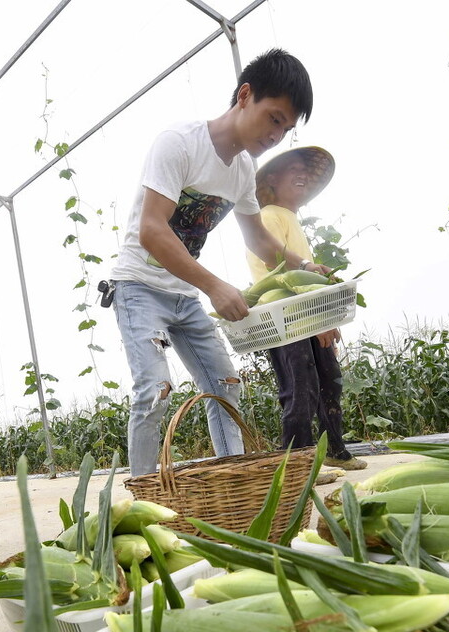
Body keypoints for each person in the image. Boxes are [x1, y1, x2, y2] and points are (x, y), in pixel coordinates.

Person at [109, 48, 329, 477]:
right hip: (137, 286)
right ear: (245, 95)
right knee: (155, 389)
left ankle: (230, 481)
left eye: (285, 127)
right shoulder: (181, 143)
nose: (276, 134)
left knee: (227, 387)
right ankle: (143, 495)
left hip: (183, 294)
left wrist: (306, 266)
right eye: (274, 117)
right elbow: (152, 230)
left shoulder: (244, 170)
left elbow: (260, 240)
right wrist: (214, 286)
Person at [247, 147, 367, 470]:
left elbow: (307, 280)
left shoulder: (289, 218)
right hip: (287, 318)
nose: (302, 175)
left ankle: (334, 450)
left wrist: (326, 317)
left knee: (330, 380)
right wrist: (319, 320)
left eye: (305, 171)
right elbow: (286, 277)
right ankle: (298, 466)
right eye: (293, 169)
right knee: (301, 390)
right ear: (271, 179)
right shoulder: (270, 216)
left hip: (309, 316)